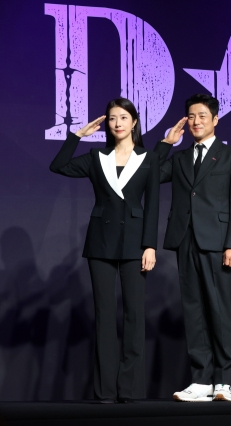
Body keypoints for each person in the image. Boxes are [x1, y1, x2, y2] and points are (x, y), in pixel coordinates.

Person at [49, 98, 159, 403]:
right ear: (106, 124)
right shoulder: (96, 156)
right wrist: (77, 136)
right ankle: (106, 392)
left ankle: (131, 390)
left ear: (134, 122)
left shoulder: (148, 158)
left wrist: (150, 245)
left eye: (124, 117)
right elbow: (58, 166)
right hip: (101, 242)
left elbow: (152, 207)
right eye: (112, 118)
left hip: (136, 243)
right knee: (105, 316)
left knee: (134, 316)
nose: (118, 123)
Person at [155, 94, 231, 402]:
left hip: (219, 242)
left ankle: (224, 380)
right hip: (186, 240)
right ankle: (201, 380)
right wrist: (167, 143)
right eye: (191, 116)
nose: (196, 122)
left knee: (220, 311)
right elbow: (150, 175)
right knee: (194, 311)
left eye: (202, 116)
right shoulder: (180, 158)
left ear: (215, 120)